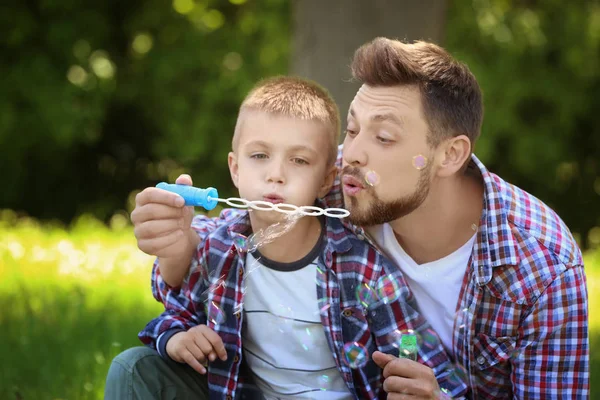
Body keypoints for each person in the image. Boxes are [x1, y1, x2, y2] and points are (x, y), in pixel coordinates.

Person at [126, 38, 589, 398]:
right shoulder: (332, 178)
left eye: (384, 137)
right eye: (352, 128)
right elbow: (226, 242)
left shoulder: (542, 267)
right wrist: (175, 245)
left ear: (449, 154)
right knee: (137, 370)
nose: (354, 153)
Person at [106, 76, 467, 399]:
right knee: (133, 368)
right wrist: (177, 340)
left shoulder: (362, 272)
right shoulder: (223, 247)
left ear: (327, 180)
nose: (275, 175)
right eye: (260, 155)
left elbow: (428, 368)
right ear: (235, 168)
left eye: (299, 161)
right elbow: (176, 314)